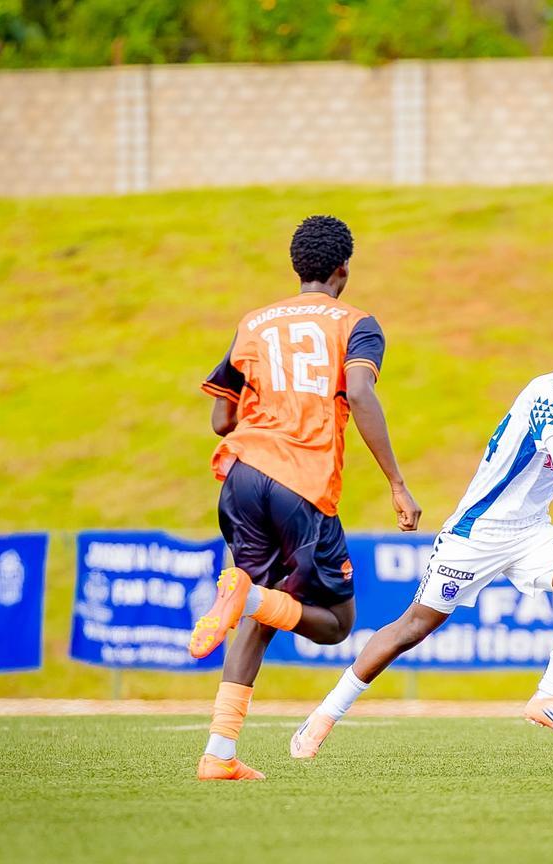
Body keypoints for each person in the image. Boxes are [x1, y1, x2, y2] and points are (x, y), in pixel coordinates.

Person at [291, 319, 553, 758]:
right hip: (477, 533)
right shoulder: (548, 396)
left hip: (530, 529)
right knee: (413, 627)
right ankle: (323, 716)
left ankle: (548, 697)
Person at [191, 215, 421, 781]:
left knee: (259, 609)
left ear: (297, 267)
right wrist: (396, 482)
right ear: (344, 269)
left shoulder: (253, 322)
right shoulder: (358, 323)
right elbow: (360, 391)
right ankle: (247, 598)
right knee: (337, 622)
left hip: (241, 475)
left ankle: (219, 753)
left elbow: (221, 418)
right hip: (301, 480)